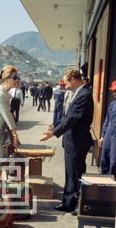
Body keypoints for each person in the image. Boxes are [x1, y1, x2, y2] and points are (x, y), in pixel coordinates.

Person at [41, 69, 94, 213]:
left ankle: (76, 204)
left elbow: (72, 118)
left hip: (77, 141)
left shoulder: (84, 94)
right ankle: (68, 202)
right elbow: (67, 115)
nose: (65, 85)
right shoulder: (79, 93)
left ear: (74, 80)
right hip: (72, 141)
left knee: (75, 174)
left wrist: (54, 133)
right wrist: (56, 125)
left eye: (66, 82)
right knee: (70, 173)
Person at [0, 65, 21, 180]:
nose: (18, 80)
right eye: (15, 77)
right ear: (7, 78)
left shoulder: (2, 93)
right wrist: (15, 136)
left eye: (18, 77)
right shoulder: (0, 94)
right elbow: (8, 116)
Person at [99, 79, 116, 179]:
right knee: (104, 160)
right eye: (113, 91)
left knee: (113, 162)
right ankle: (104, 180)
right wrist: (102, 136)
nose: (114, 93)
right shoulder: (112, 104)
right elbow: (106, 120)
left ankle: (111, 183)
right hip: (108, 135)